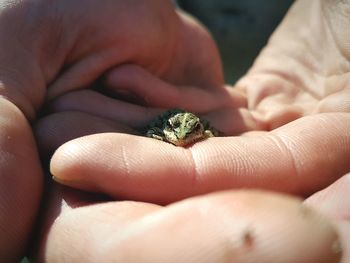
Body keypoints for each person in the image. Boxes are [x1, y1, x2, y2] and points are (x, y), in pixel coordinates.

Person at [0, 0, 348, 261]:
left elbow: (207, 129)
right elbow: (158, 128)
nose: (183, 139)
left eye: (191, 132)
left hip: (272, 76)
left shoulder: (201, 129)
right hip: (186, 56)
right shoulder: (165, 126)